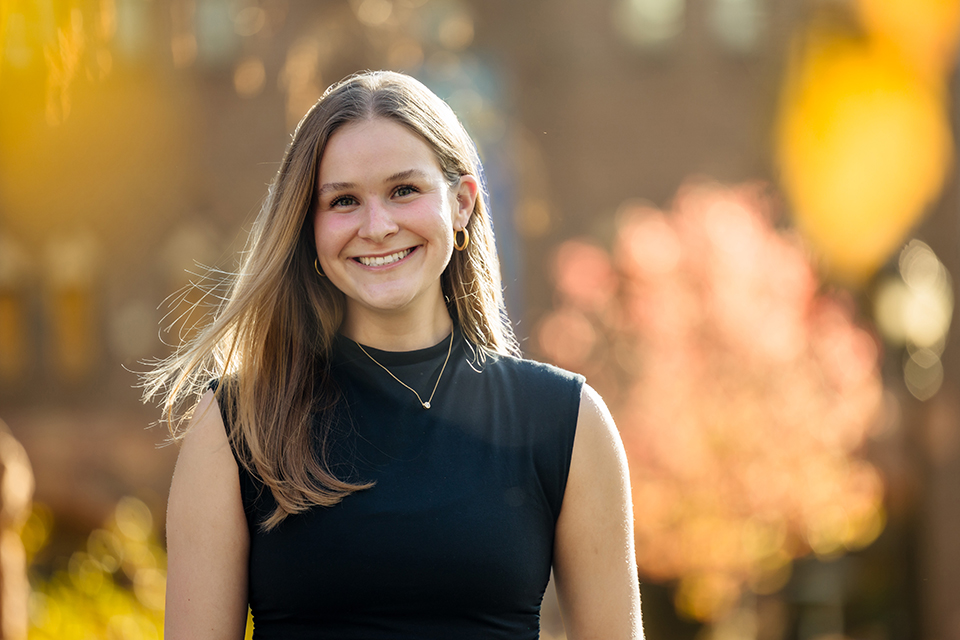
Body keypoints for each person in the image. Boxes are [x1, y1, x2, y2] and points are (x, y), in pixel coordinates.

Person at [147, 70, 642, 639]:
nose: (377, 226)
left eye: (404, 190)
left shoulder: (566, 420)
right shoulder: (237, 425)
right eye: (344, 201)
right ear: (308, 228)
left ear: (461, 204)